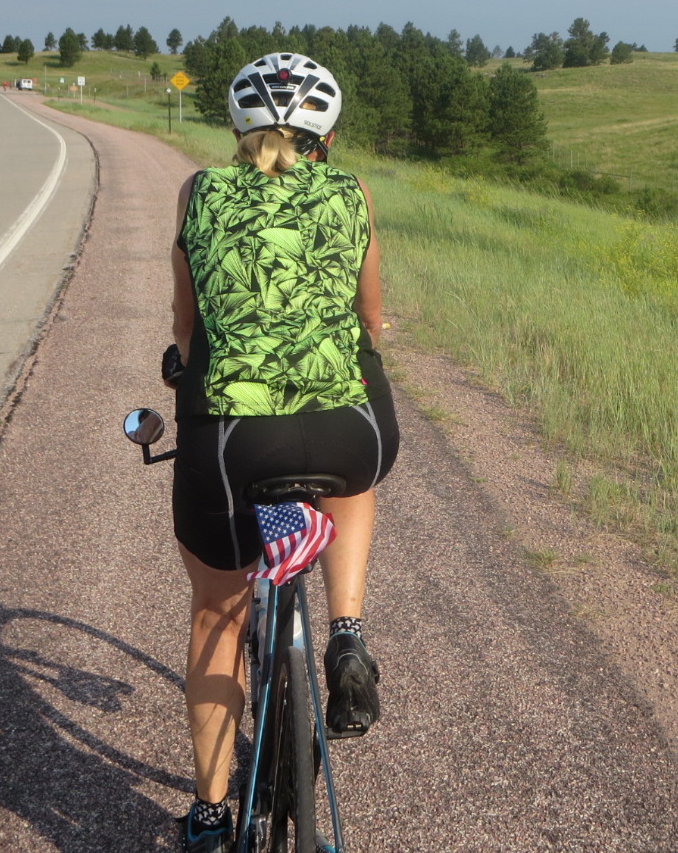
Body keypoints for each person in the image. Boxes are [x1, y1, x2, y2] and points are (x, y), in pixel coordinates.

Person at [165, 52, 399, 853]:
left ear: (237, 125)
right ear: (326, 133)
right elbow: (371, 318)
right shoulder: (352, 191)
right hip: (346, 431)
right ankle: (347, 632)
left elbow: (186, 325)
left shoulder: (200, 191)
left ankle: (208, 817)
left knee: (217, 614)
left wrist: (190, 363)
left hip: (233, 440)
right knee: (354, 469)